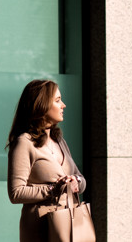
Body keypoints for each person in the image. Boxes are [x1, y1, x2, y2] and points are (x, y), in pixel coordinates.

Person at [6, 79, 87, 242]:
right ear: (41, 105)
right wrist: (52, 189)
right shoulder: (24, 143)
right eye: (57, 100)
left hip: (69, 225)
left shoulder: (59, 141)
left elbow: (82, 180)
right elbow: (16, 193)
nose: (63, 105)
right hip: (40, 229)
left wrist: (75, 181)